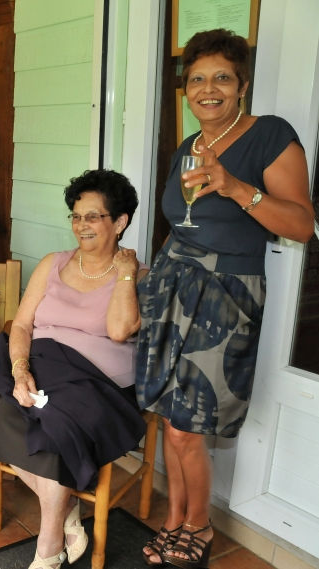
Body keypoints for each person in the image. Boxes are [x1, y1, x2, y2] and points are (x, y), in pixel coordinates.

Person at [135, 29, 314, 569]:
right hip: (173, 289)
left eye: (221, 78)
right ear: (185, 89)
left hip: (226, 296)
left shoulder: (271, 136)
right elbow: (179, 226)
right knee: (171, 418)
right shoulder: (186, 148)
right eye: (197, 80)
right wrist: (150, 286)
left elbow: (301, 225)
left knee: (188, 424)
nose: (208, 89)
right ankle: (174, 518)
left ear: (242, 85)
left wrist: (237, 187)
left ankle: (200, 525)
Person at [0, 170, 149, 569]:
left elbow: (120, 331)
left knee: (55, 434)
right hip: (40, 368)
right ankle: (66, 510)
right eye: (76, 216)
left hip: (98, 386)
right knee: (4, 419)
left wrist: (125, 272)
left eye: (93, 216)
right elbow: (21, 325)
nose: (81, 225)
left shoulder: (138, 277)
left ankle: (48, 546)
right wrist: (20, 370)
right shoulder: (53, 264)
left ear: (120, 222)